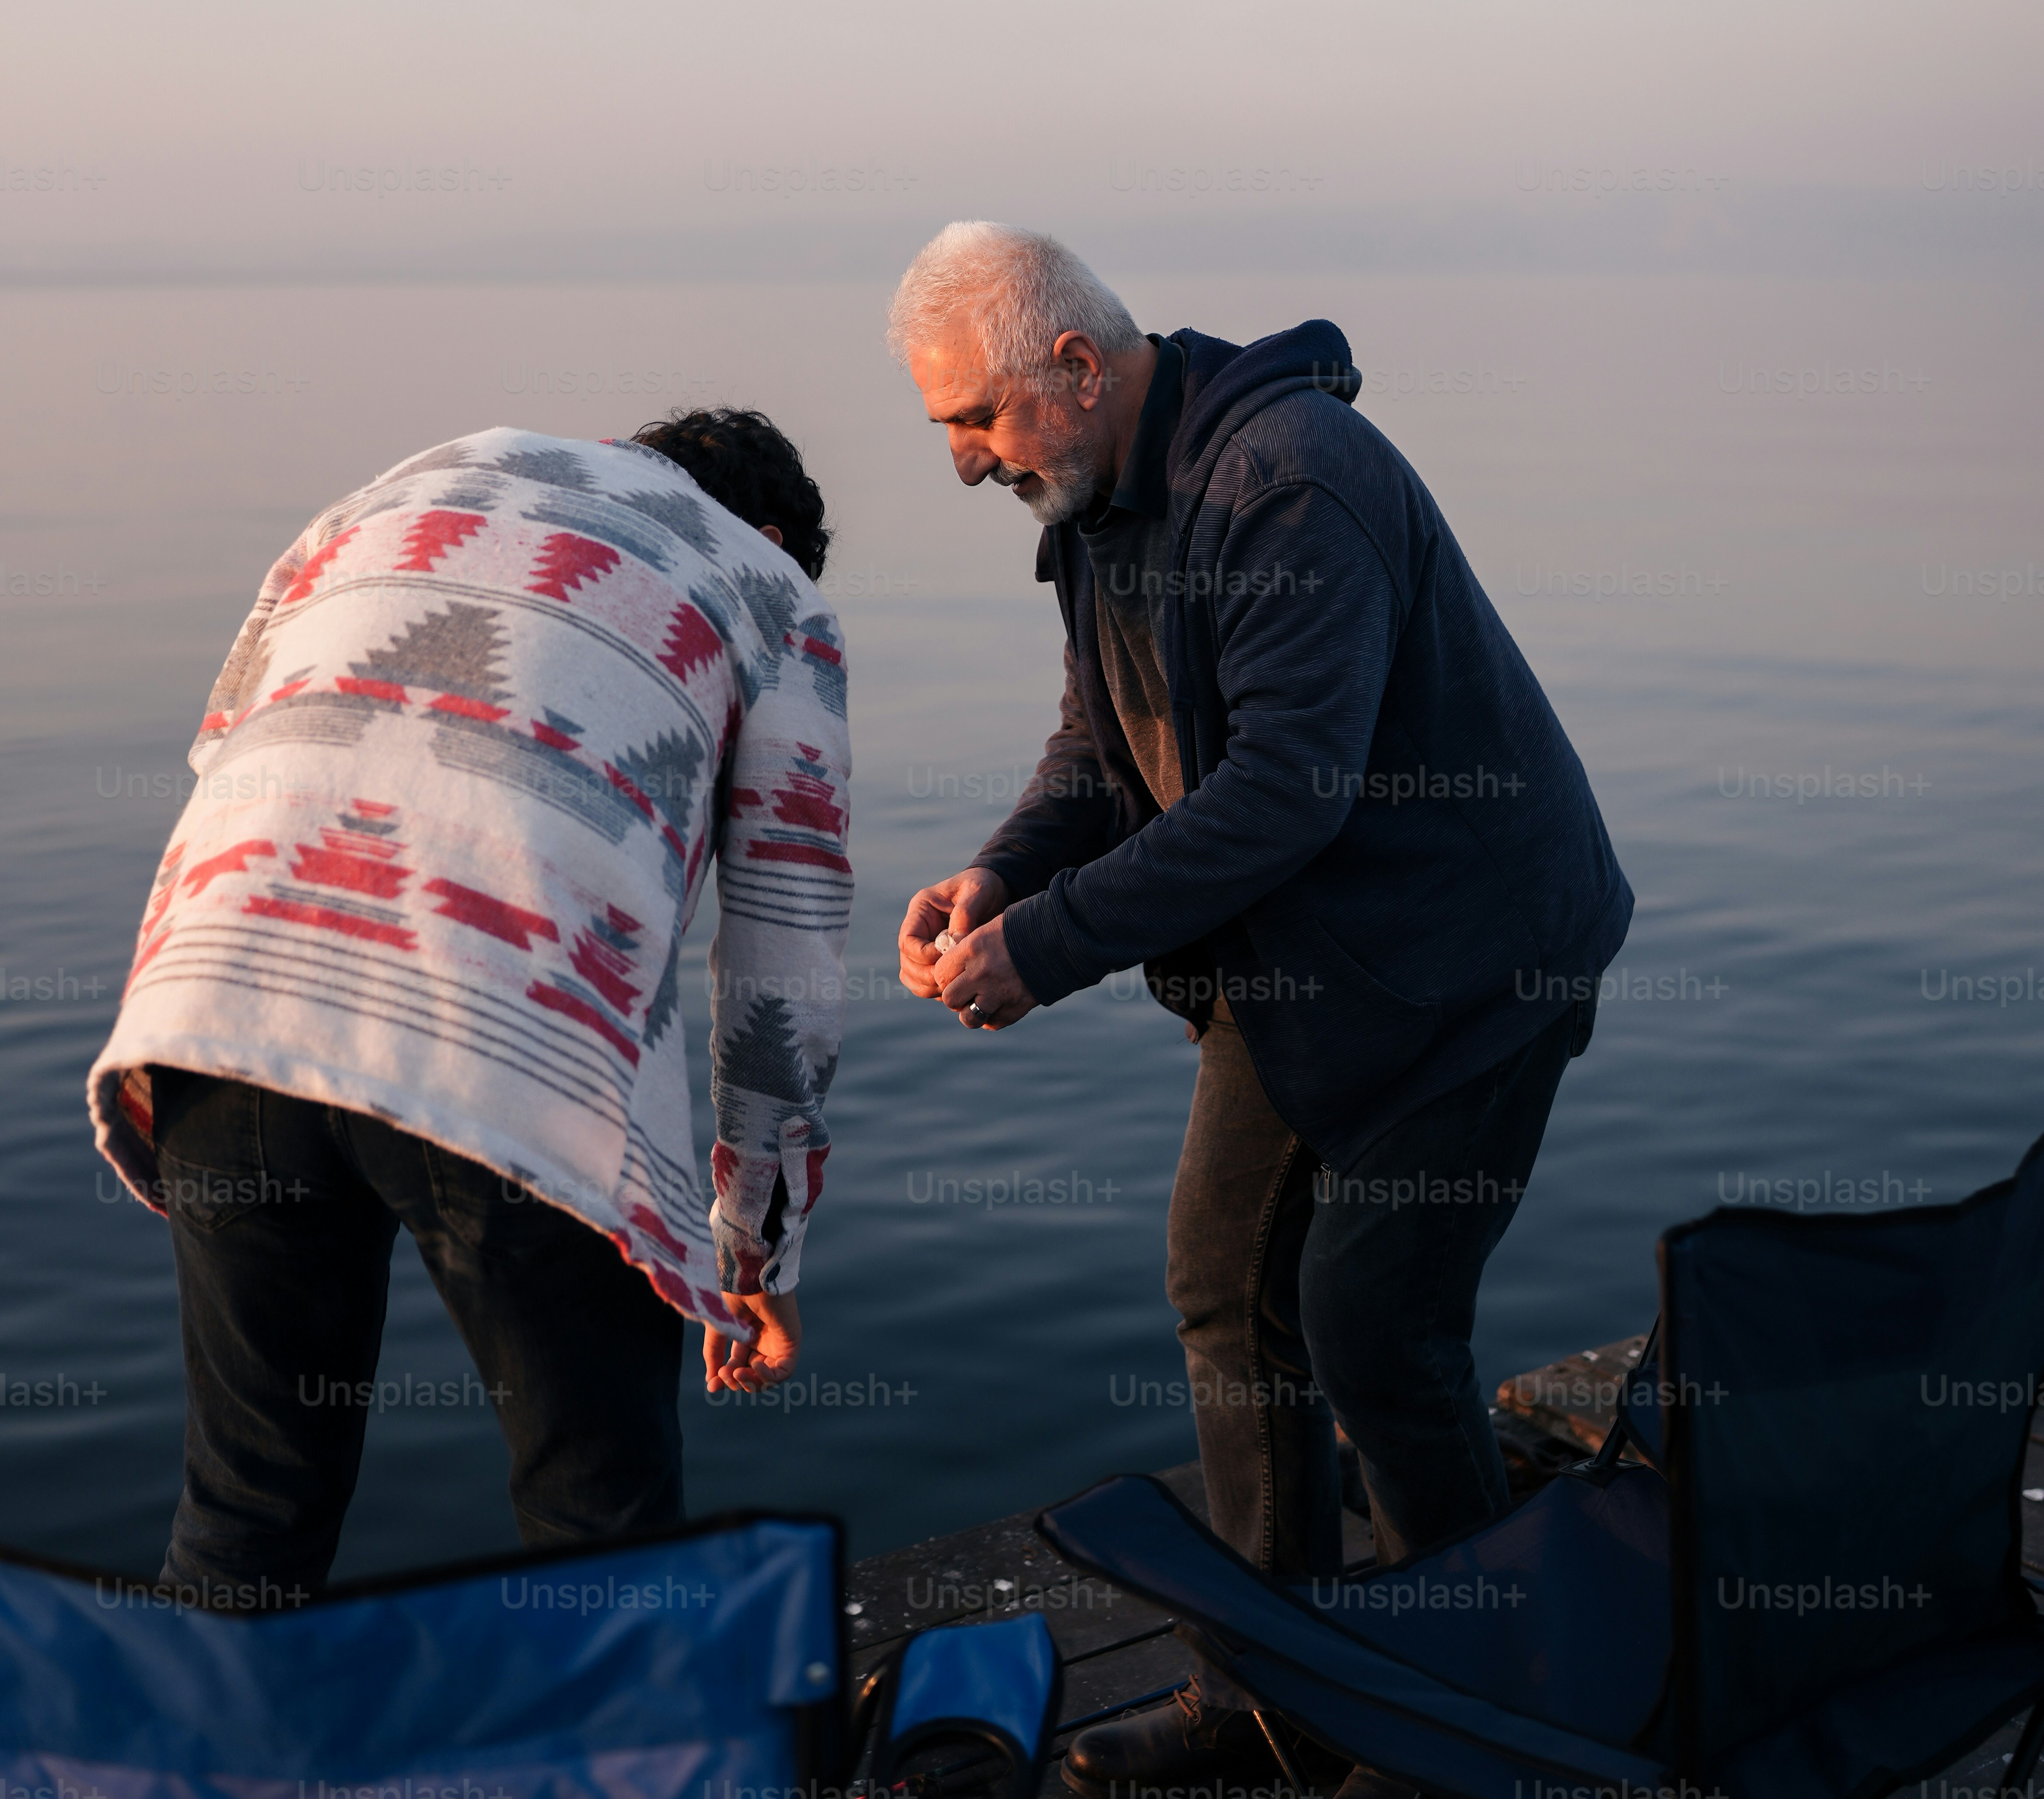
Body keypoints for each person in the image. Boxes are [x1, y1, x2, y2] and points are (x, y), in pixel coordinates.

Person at [887, 224, 1633, 1799]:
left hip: (1478, 960)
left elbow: (1286, 793)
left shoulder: (1290, 479)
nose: (962, 463)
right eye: (945, 426)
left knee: (1376, 1322)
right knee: (1227, 1288)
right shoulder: (1099, 503)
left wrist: (1055, 946)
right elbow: (1103, 747)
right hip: (1299, 959)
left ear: (1078, 369)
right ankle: (1269, 1694)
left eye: (976, 419)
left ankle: (1481, 1703)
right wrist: (996, 878)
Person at [88, 409, 851, 1603]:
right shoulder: (765, 588)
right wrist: (758, 1243)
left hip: (217, 1001)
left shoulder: (400, 490)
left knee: (248, 1507)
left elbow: (223, 746)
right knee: (598, 1513)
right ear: (763, 532)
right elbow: (784, 950)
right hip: (511, 1040)